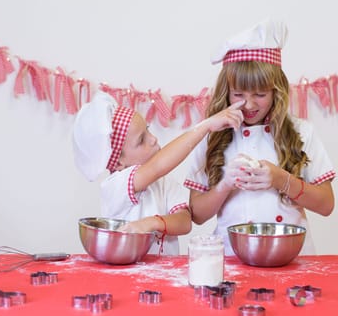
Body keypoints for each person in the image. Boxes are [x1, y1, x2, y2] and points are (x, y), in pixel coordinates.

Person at [184, 19, 336, 255]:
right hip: (230, 258)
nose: (249, 104)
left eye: (261, 94)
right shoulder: (210, 134)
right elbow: (197, 215)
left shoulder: (302, 132)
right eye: (238, 94)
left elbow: (326, 205)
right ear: (227, 92)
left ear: (277, 91)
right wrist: (226, 184)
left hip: (292, 257)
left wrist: (281, 180)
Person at [72, 91, 244, 255]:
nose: (153, 139)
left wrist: (153, 223)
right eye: (141, 140)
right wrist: (206, 126)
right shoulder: (116, 186)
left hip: (164, 275)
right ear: (118, 162)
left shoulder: (164, 182)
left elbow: (185, 222)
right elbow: (158, 165)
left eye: (147, 130)